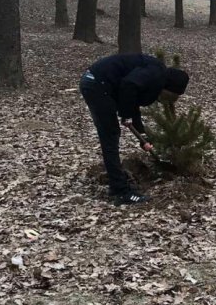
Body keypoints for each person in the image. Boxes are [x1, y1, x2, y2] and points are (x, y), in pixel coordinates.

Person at [79, 53, 189, 204]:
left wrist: (142, 134)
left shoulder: (155, 73)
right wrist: (126, 115)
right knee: (110, 136)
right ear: (168, 86)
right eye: (169, 95)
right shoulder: (155, 73)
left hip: (97, 83)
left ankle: (118, 186)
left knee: (111, 135)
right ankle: (120, 191)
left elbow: (133, 99)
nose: (165, 99)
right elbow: (128, 85)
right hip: (97, 83)